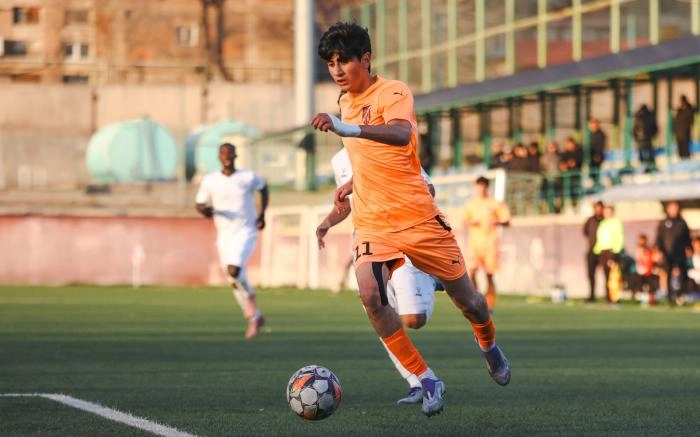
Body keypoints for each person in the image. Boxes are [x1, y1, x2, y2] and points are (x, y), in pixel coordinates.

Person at [310, 22, 510, 417]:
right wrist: (352, 185)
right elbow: (370, 159)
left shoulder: (394, 91)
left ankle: (488, 345)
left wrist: (345, 127)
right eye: (330, 63)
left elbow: (401, 135)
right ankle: (425, 377)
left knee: (471, 303)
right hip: (373, 223)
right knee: (370, 295)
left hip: (418, 218)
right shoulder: (344, 101)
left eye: (343, 61)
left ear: (366, 59)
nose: (336, 70)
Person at [316, 146, 440, 405]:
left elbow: (428, 188)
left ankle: (431, 275)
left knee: (414, 319)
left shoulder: (388, 144)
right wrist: (327, 222)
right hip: (367, 243)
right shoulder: (339, 159)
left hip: (402, 239)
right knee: (378, 311)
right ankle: (417, 380)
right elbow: (347, 204)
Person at [195, 143, 269, 338]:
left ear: (235, 155)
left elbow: (263, 188)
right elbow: (200, 204)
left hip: (246, 231)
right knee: (234, 279)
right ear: (219, 157)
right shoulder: (210, 180)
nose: (227, 157)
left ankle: (250, 302)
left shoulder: (247, 177)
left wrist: (262, 214)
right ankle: (254, 317)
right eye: (223, 154)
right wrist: (205, 210)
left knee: (234, 269)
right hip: (224, 235)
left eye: (230, 154)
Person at [463, 177, 511, 311]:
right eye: (478, 187)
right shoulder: (471, 203)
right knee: (472, 272)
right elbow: (465, 221)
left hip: (491, 243)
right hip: (475, 244)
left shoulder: (495, 203)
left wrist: (498, 222)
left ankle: (489, 305)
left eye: (483, 187)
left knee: (489, 275)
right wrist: (471, 223)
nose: (480, 190)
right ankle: (476, 301)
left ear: (487, 187)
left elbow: (507, 220)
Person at [655, 201, 692, 306]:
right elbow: (659, 238)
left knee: (684, 274)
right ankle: (670, 297)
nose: (674, 210)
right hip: (668, 253)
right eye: (672, 208)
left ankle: (679, 294)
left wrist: (689, 247)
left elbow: (687, 237)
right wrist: (659, 250)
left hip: (680, 253)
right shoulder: (663, 223)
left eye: (675, 208)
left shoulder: (682, 222)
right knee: (668, 274)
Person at [592, 204, 625, 304]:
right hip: (603, 252)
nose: (606, 213)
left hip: (612, 251)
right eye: (605, 212)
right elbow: (600, 239)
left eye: (608, 211)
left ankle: (615, 298)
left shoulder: (616, 223)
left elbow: (619, 237)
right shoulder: (602, 223)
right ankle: (608, 297)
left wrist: (615, 252)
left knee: (613, 276)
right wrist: (596, 251)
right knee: (606, 276)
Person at [582, 200, 605, 302]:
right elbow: (585, 232)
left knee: (607, 274)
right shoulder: (590, 220)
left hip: (604, 251)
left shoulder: (606, 220)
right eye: (597, 207)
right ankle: (592, 295)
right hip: (592, 250)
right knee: (591, 274)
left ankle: (608, 296)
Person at [631, 233, 658, 305]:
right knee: (639, 283)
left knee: (651, 285)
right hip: (640, 272)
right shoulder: (638, 250)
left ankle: (651, 299)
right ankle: (641, 297)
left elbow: (653, 259)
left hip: (648, 272)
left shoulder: (649, 250)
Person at [633, 104, 658, 172]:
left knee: (642, 154)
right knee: (649, 154)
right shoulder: (649, 116)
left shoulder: (637, 116)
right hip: (647, 139)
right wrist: (653, 135)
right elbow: (654, 127)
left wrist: (636, 137)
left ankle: (643, 167)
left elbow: (635, 129)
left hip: (640, 139)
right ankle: (651, 167)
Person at [674, 95, 695, 159]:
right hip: (679, 134)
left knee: (686, 149)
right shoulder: (679, 111)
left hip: (685, 133)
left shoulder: (689, 109)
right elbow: (676, 122)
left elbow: (691, 121)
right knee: (681, 150)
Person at [588, 118, 606, 185]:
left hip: (597, 157)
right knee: (591, 172)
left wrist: (598, 155)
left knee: (596, 171)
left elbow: (601, 146)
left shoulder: (600, 134)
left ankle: (597, 184)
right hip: (590, 156)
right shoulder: (589, 134)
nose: (592, 126)